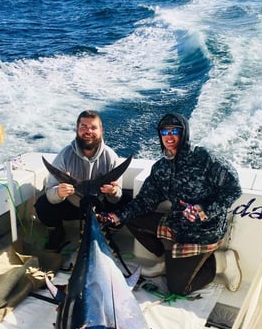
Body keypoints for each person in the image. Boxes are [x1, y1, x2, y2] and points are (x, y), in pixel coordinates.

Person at [99, 112, 243, 295]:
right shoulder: (160, 168)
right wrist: (116, 216)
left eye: (175, 131)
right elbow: (144, 202)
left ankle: (222, 262)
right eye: (164, 132)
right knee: (133, 218)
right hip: (177, 223)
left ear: (185, 133)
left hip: (203, 231)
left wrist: (203, 210)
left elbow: (233, 189)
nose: (169, 136)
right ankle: (165, 260)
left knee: (179, 289)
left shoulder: (204, 158)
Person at [35, 110, 124, 251]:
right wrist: (59, 192)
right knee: (42, 205)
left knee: (127, 203)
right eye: (83, 127)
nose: (88, 131)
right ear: (77, 130)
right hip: (73, 207)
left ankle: (108, 232)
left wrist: (113, 192)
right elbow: (50, 195)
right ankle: (57, 231)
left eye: (93, 127)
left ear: (101, 130)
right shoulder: (64, 155)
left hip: (100, 208)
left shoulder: (111, 156)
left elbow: (117, 197)